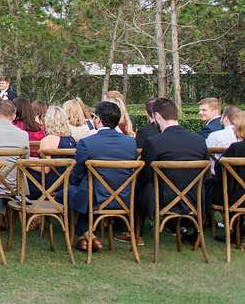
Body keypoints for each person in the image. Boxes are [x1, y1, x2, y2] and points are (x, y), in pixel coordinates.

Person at [69, 101, 138, 251]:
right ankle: (87, 237)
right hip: (124, 198)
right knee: (78, 191)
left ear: (97, 119)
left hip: (94, 198)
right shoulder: (131, 143)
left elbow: (77, 174)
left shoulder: (87, 143)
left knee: (69, 192)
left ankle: (86, 235)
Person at [138, 97, 208, 243]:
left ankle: (136, 233)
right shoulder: (199, 140)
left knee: (138, 185)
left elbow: (146, 176)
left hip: (162, 201)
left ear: (157, 116)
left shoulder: (154, 142)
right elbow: (206, 176)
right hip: (194, 199)